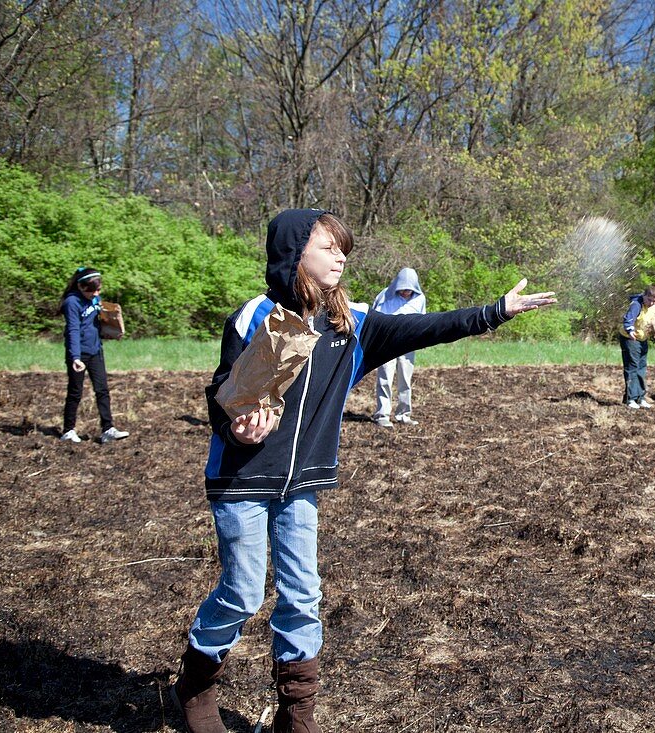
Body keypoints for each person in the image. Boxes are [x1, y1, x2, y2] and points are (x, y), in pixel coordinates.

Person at [171, 209, 555, 733]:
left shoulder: (350, 324)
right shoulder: (253, 316)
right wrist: (236, 425)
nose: (341, 256)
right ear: (294, 253)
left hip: (302, 484)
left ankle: (296, 714)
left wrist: (496, 311)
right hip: (242, 480)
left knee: (303, 594)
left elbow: (427, 328)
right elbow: (221, 396)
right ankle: (194, 686)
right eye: (329, 247)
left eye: (343, 248)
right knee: (241, 590)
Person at [58, 267, 130, 444]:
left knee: (102, 390)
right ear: (81, 287)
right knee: (75, 392)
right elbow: (73, 329)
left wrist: (113, 329)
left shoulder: (95, 299)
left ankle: (108, 429)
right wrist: (75, 357)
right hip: (78, 353)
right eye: (92, 290)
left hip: (96, 350)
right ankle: (68, 430)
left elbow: (98, 322)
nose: (96, 293)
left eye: (98, 290)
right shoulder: (71, 302)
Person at [371, 268, 426, 427]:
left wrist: (421, 339)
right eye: (403, 289)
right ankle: (382, 414)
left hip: (408, 343)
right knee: (385, 378)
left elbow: (421, 321)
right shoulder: (385, 296)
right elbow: (375, 319)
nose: (405, 292)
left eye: (409, 290)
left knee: (405, 380)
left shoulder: (420, 298)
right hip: (387, 342)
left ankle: (403, 414)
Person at [618, 285, 655, 409]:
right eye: (649, 300)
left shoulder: (652, 307)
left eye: (654, 300)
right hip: (630, 339)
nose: (651, 303)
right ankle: (630, 399)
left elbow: (650, 320)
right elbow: (628, 320)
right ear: (644, 296)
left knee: (641, 368)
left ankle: (640, 398)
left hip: (642, 339)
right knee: (632, 367)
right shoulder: (636, 305)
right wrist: (630, 331)